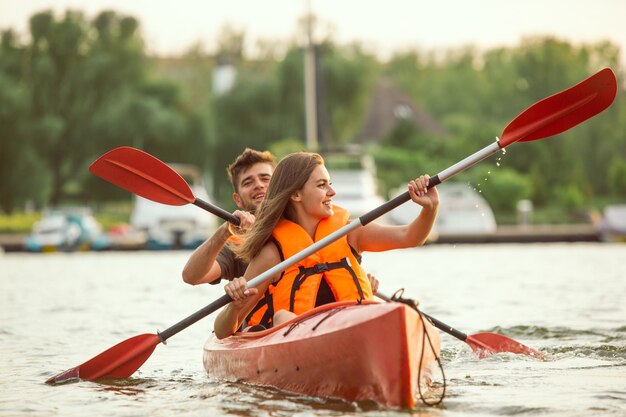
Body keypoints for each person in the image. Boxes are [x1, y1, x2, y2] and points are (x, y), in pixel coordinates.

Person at [214, 152, 438, 339]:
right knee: (283, 316)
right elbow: (223, 331)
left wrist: (429, 209)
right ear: (296, 194)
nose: (332, 193)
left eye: (330, 184)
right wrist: (236, 304)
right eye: (322, 185)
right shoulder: (272, 254)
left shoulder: (351, 233)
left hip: (354, 328)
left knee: (390, 310)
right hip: (303, 340)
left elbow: (410, 236)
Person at [182, 148, 276, 285]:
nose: (259, 185)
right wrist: (225, 230)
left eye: (265, 179)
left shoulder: (304, 221)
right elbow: (191, 277)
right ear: (237, 200)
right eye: (248, 182)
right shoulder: (236, 245)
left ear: (279, 185)